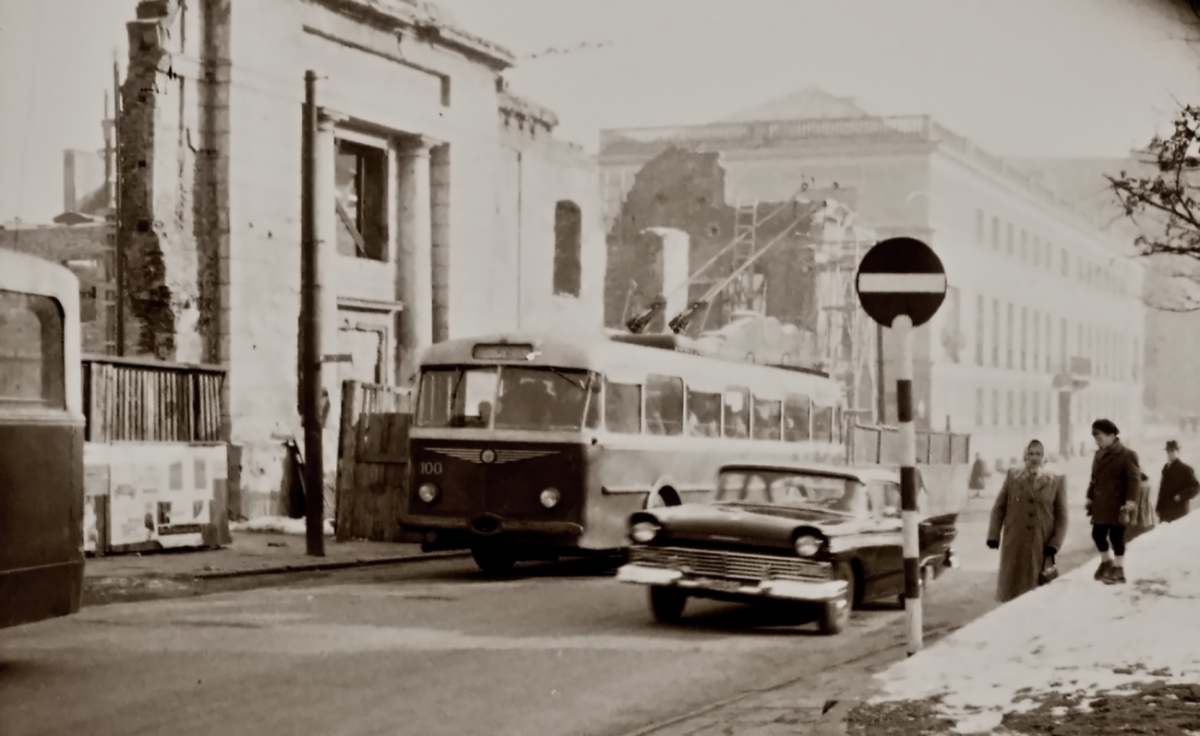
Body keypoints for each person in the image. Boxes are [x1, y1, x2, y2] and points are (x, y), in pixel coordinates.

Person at [986, 439, 1068, 603]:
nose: (1034, 458)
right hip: (1015, 543)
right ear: (1025, 456)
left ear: (1044, 457)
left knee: (1037, 593)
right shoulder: (1013, 476)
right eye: (1031, 453)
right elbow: (999, 508)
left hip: (1041, 544)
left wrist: (1055, 544)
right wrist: (993, 535)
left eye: (1038, 454)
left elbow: (1062, 517)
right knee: (1013, 591)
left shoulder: (1056, 480)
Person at [1086, 418, 1141, 585]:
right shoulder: (1098, 454)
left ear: (1111, 436)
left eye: (1100, 438)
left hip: (1119, 504)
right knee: (1097, 534)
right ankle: (1106, 562)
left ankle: (1119, 568)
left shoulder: (1126, 454)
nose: (1097, 442)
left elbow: (1134, 480)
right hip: (1101, 504)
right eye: (1095, 439)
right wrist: (1090, 497)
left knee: (1116, 537)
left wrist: (1131, 501)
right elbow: (1094, 479)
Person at [1157, 440, 1200, 524]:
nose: (1170, 454)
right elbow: (1162, 490)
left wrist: (1181, 495)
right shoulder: (1166, 469)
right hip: (1166, 512)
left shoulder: (1185, 469)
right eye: (1168, 451)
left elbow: (1196, 487)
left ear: (1178, 451)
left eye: (1172, 451)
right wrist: (1159, 508)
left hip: (1180, 512)